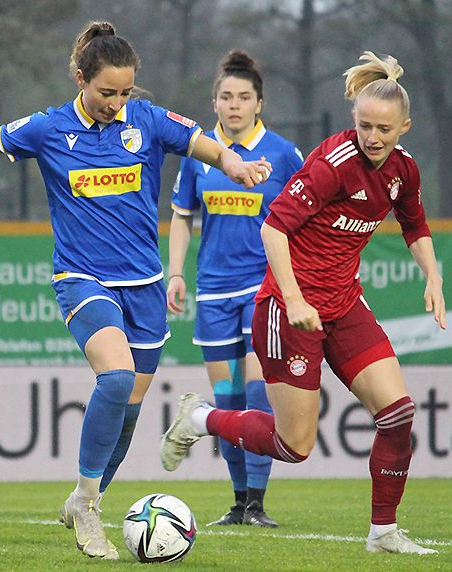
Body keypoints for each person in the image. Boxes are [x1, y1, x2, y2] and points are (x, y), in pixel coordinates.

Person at [0, 21, 271, 561]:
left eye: (125, 91)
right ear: (80, 78)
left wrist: (235, 162)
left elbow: (205, 145)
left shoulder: (147, 120)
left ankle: (88, 496)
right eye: (107, 92)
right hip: (82, 278)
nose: (117, 101)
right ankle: (87, 503)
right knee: (118, 375)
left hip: (145, 287)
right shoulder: (49, 128)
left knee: (127, 413)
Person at [160, 51, 446, 555]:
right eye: (364, 126)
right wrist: (293, 299)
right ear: (353, 121)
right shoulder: (333, 164)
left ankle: (383, 533)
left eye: (383, 128)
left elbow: (415, 224)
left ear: (405, 126)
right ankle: (200, 419)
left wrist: (433, 274)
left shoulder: (404, 170)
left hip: (343, 305)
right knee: (295, 446)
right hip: (285, 307)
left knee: (398, 413)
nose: (373, 138)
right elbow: (274, 228)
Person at [167, 50, 304, 528]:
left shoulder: (284, 155)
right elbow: (183, 217)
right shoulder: (201, 156)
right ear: (214, 102)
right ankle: (238, 500)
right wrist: (177, 272)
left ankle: (258, 504)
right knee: (226, 402)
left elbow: (306, 220)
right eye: (226, 96)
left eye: (244, 97)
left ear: (259, 103)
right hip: (213, 296)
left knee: (258, 397)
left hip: (263, 293)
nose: (234, 104)